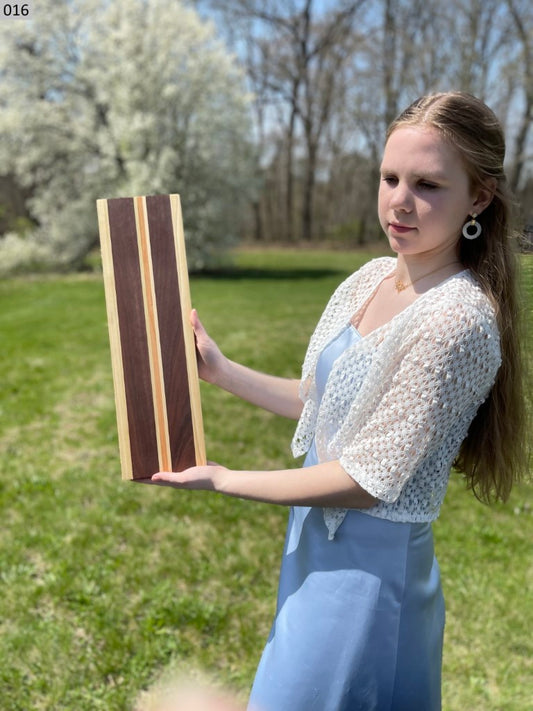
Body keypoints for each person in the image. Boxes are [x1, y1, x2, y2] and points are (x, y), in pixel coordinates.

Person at [150, 92, 528, 710]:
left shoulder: (459, 318)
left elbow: (368, 478)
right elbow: (322, 403)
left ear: (479, 197)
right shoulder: (373, 275)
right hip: (315, 546)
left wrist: (223, 480)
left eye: (428, 184)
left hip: (369, 574)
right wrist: (220, 371)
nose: (400, 201)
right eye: (390, 177)